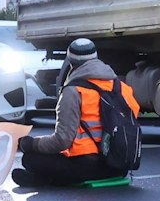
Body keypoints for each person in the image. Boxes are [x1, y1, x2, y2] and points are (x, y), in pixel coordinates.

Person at [12, 37, 139, 188]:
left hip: (88, 165)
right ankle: (48, 179)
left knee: (30, 159)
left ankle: (44, 180)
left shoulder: (73, 91)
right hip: (120, 166)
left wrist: (32, 143)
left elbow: (62, 141)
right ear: (96, 58)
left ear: (71, 62)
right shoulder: (122, 87)